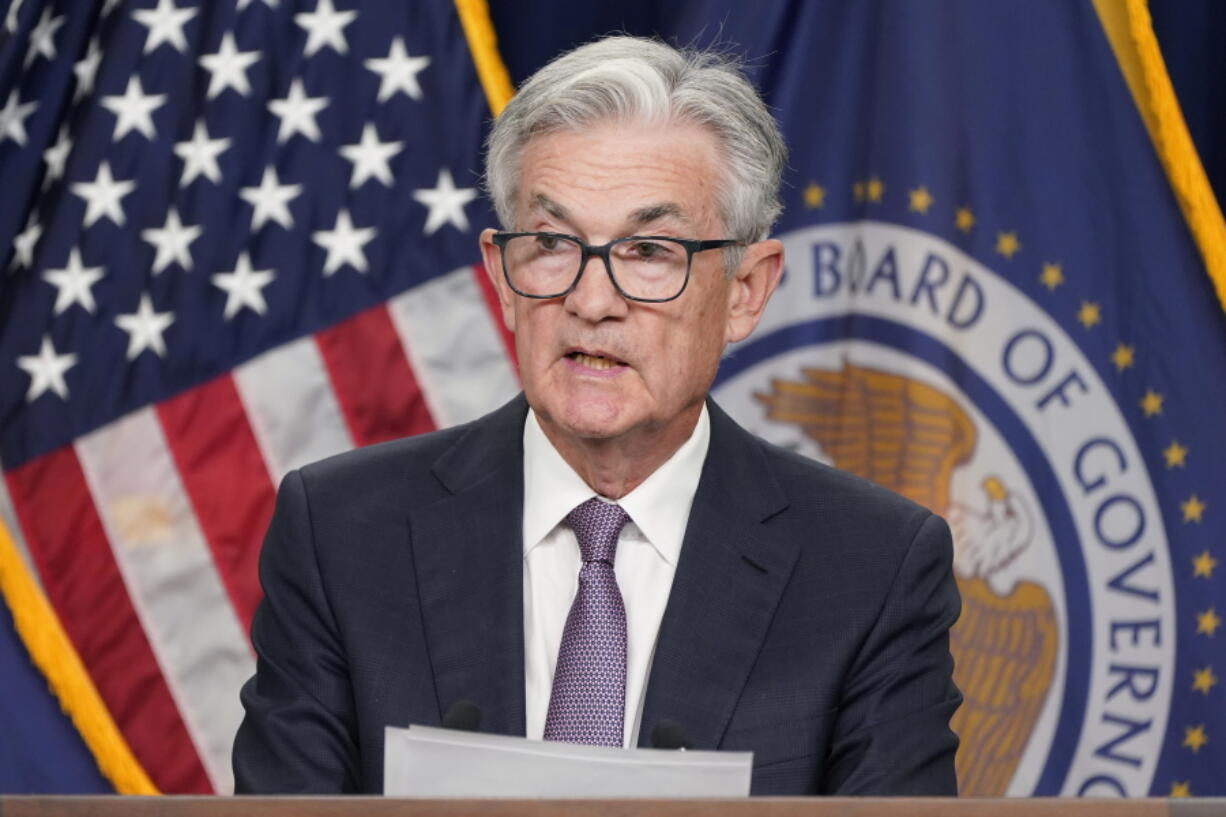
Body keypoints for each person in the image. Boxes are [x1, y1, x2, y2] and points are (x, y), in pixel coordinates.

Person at [233, 35, 962, 796]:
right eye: (551, 243)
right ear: (503, 278)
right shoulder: (343, 534)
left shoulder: (871, 569)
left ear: (746, 289)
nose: (590, 300)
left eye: (648, 250)